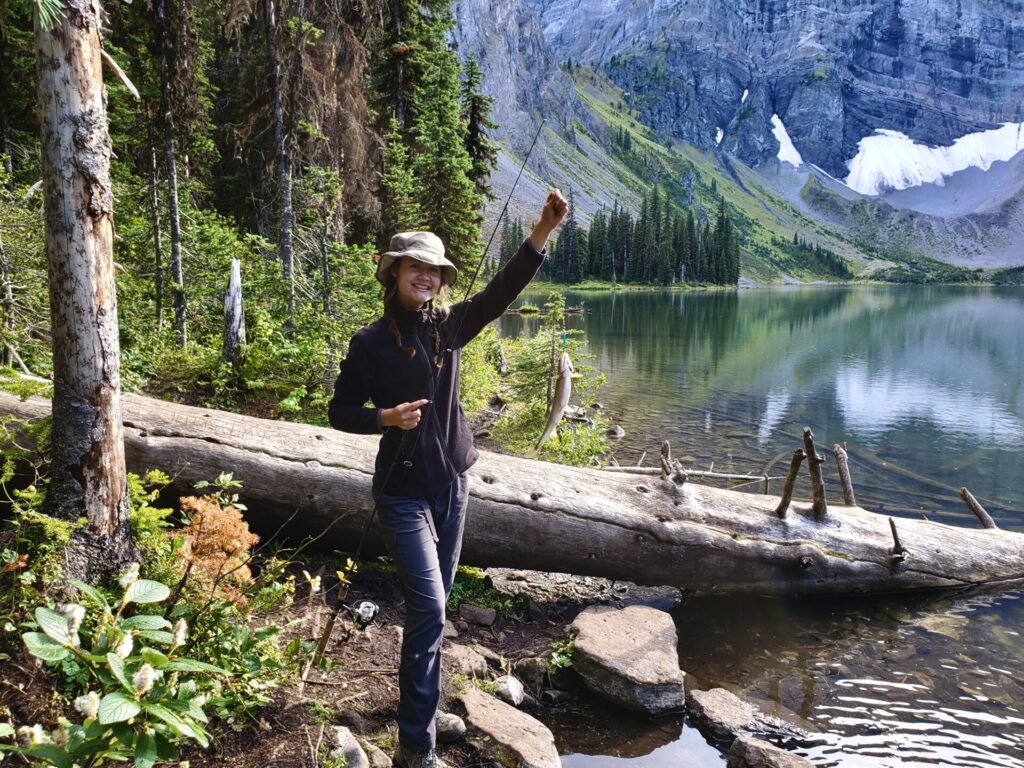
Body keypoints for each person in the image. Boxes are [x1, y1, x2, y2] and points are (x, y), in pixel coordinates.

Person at [328, 190, 568, 768]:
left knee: (434, 608)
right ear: (395, 273)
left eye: (435, 270)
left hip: (454, 484)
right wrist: (383, 418)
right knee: (431, 608)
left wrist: (542, 230)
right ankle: (416, 748)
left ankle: (423, 710)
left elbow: (499, 293)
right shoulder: (369, 343)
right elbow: (338, 412)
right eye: (417, 267)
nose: (427, 277)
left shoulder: (450, 328)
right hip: (403, 493)